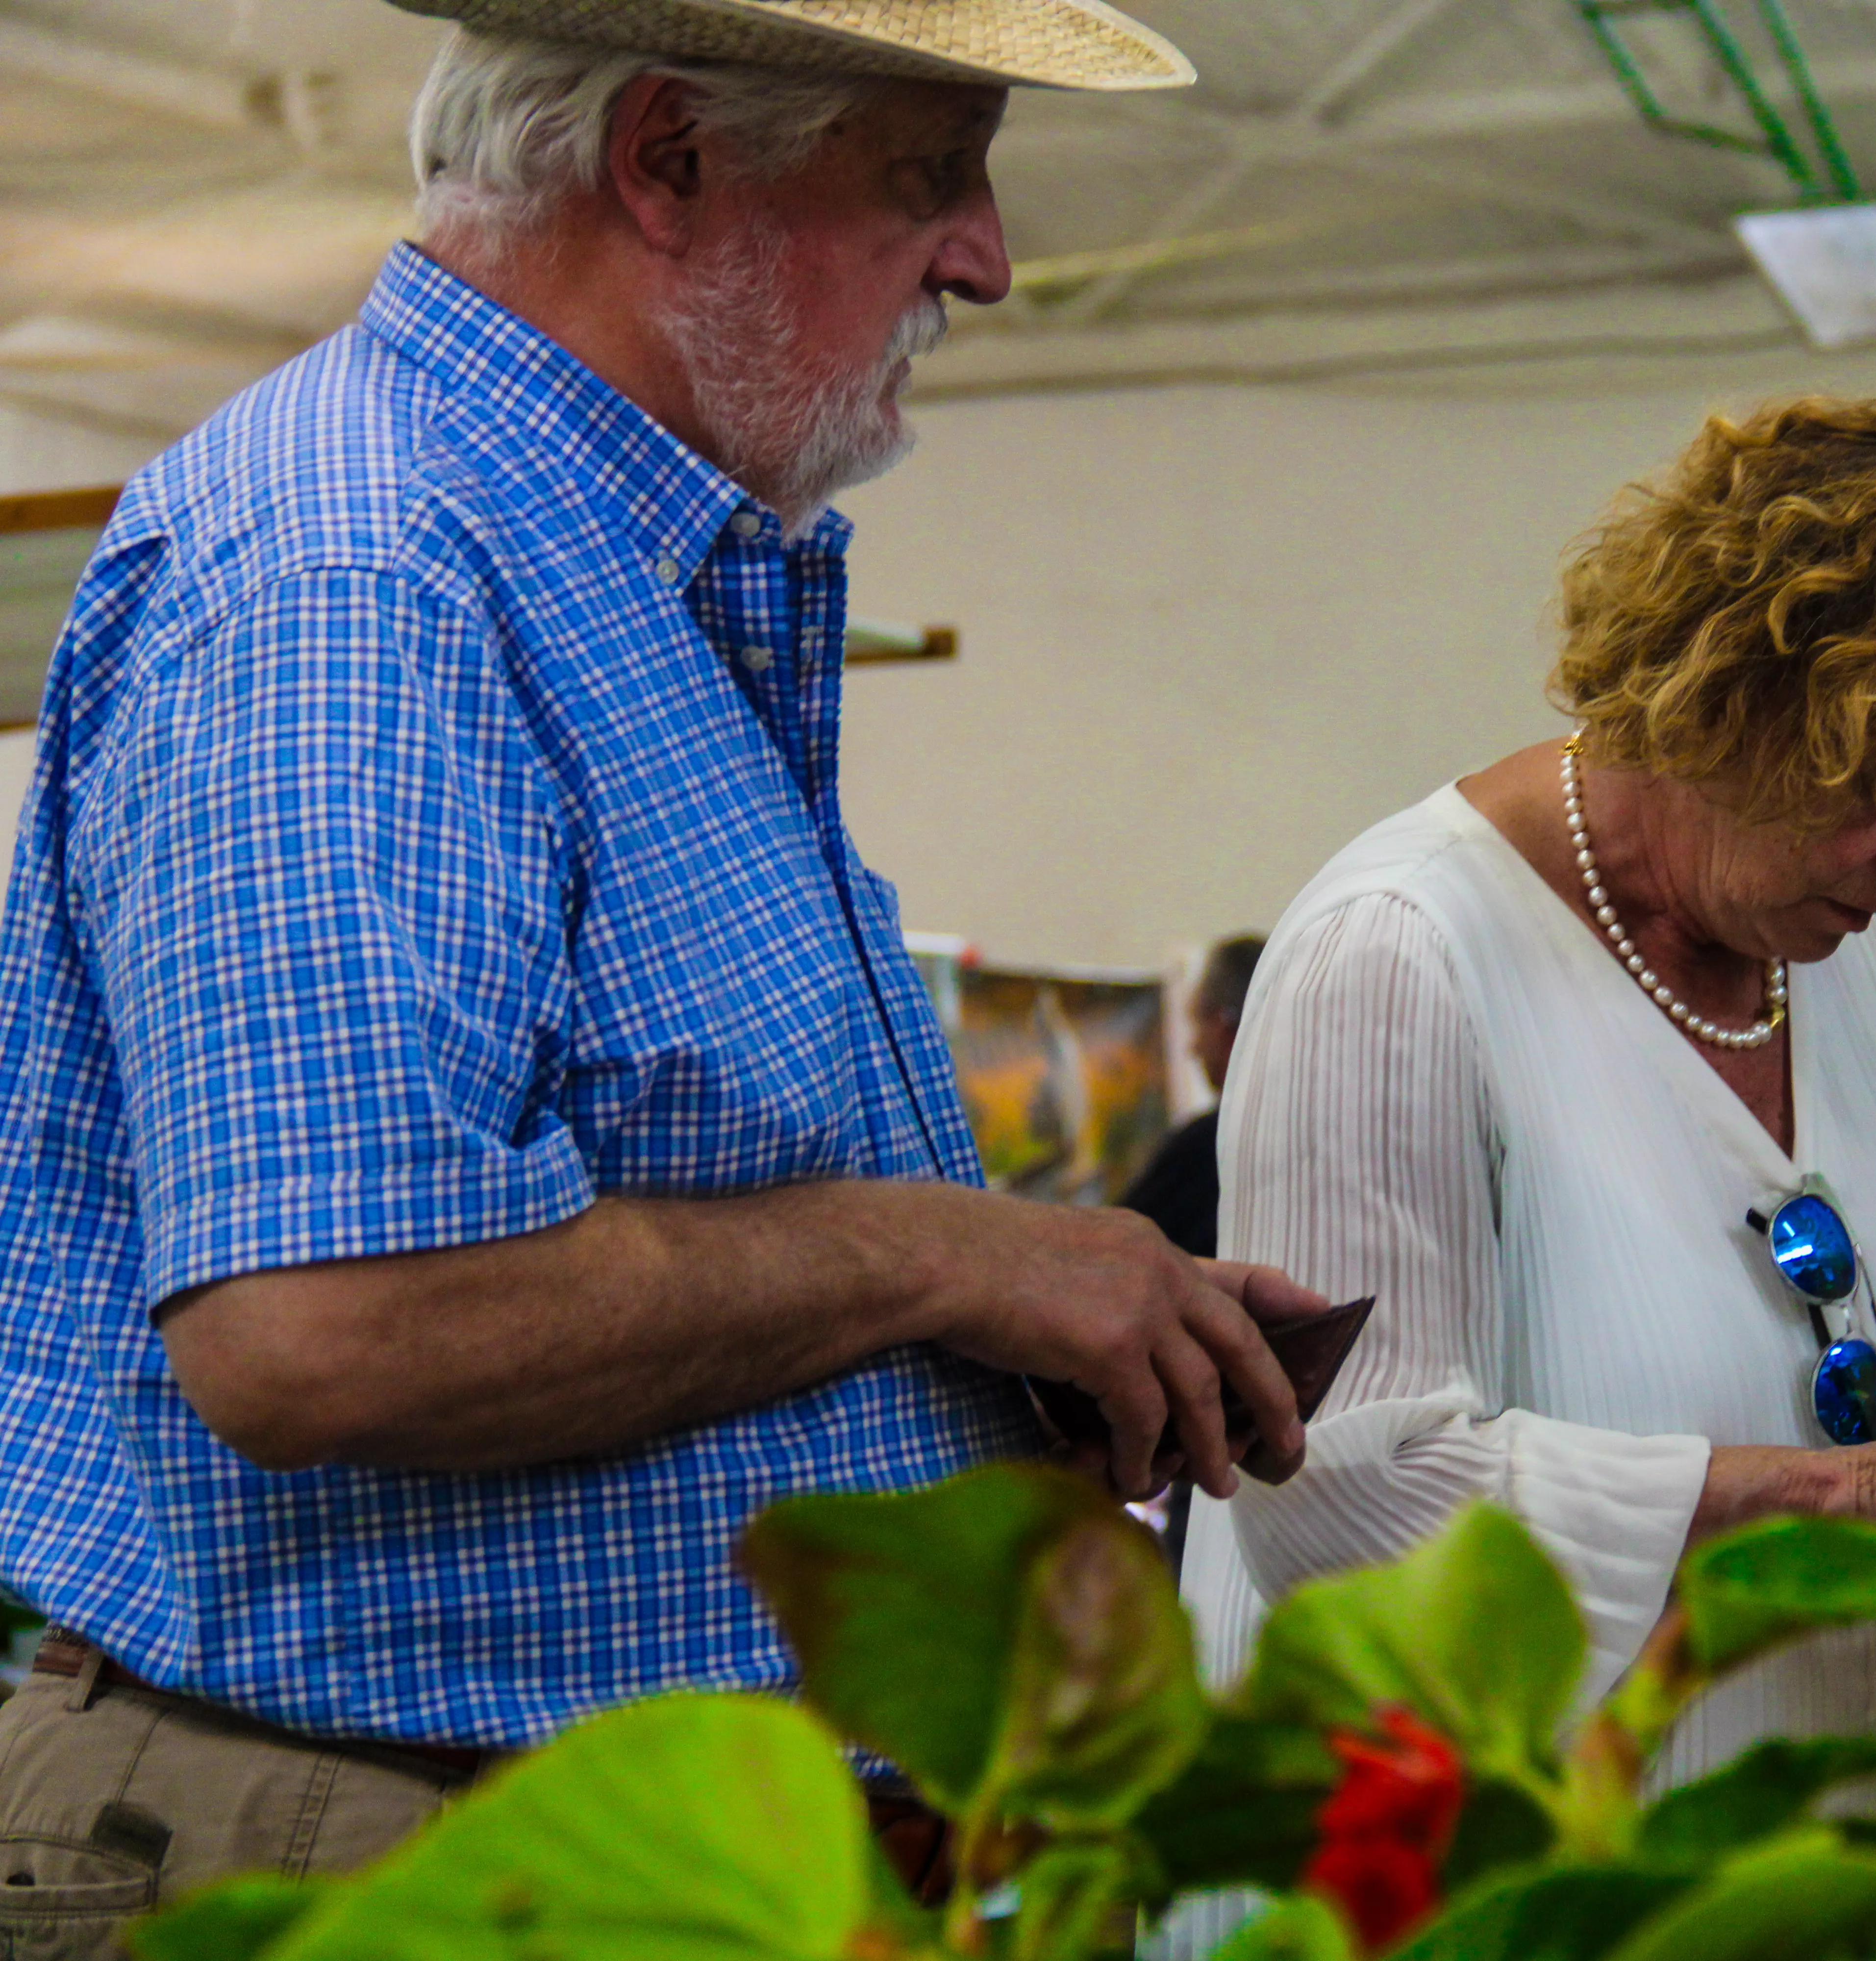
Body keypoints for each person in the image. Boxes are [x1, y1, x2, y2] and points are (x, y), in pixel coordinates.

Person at [0, 3, 1323, 1932]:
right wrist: (954, 1258)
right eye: (926, 173)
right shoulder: (362, 563)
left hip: (569, 1833)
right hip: (390, 1840)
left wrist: (996, 1349)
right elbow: (320, 1325)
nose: (986, 257)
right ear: (670, 159)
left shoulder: (597, 570)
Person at [1176, 397, 1876, 1900]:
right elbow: (1341, 1507)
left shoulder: (1873, 975)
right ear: (1728, 700)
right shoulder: (1399, 955)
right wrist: (1863, 1499)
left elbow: (1858, 1399)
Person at [1122, 935, 1271, 1262]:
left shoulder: (1207, 1147)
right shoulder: (1330, 1135)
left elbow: (1117, 1250)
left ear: (1222, 1023)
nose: (1193, 1048)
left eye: (1197, 1023)